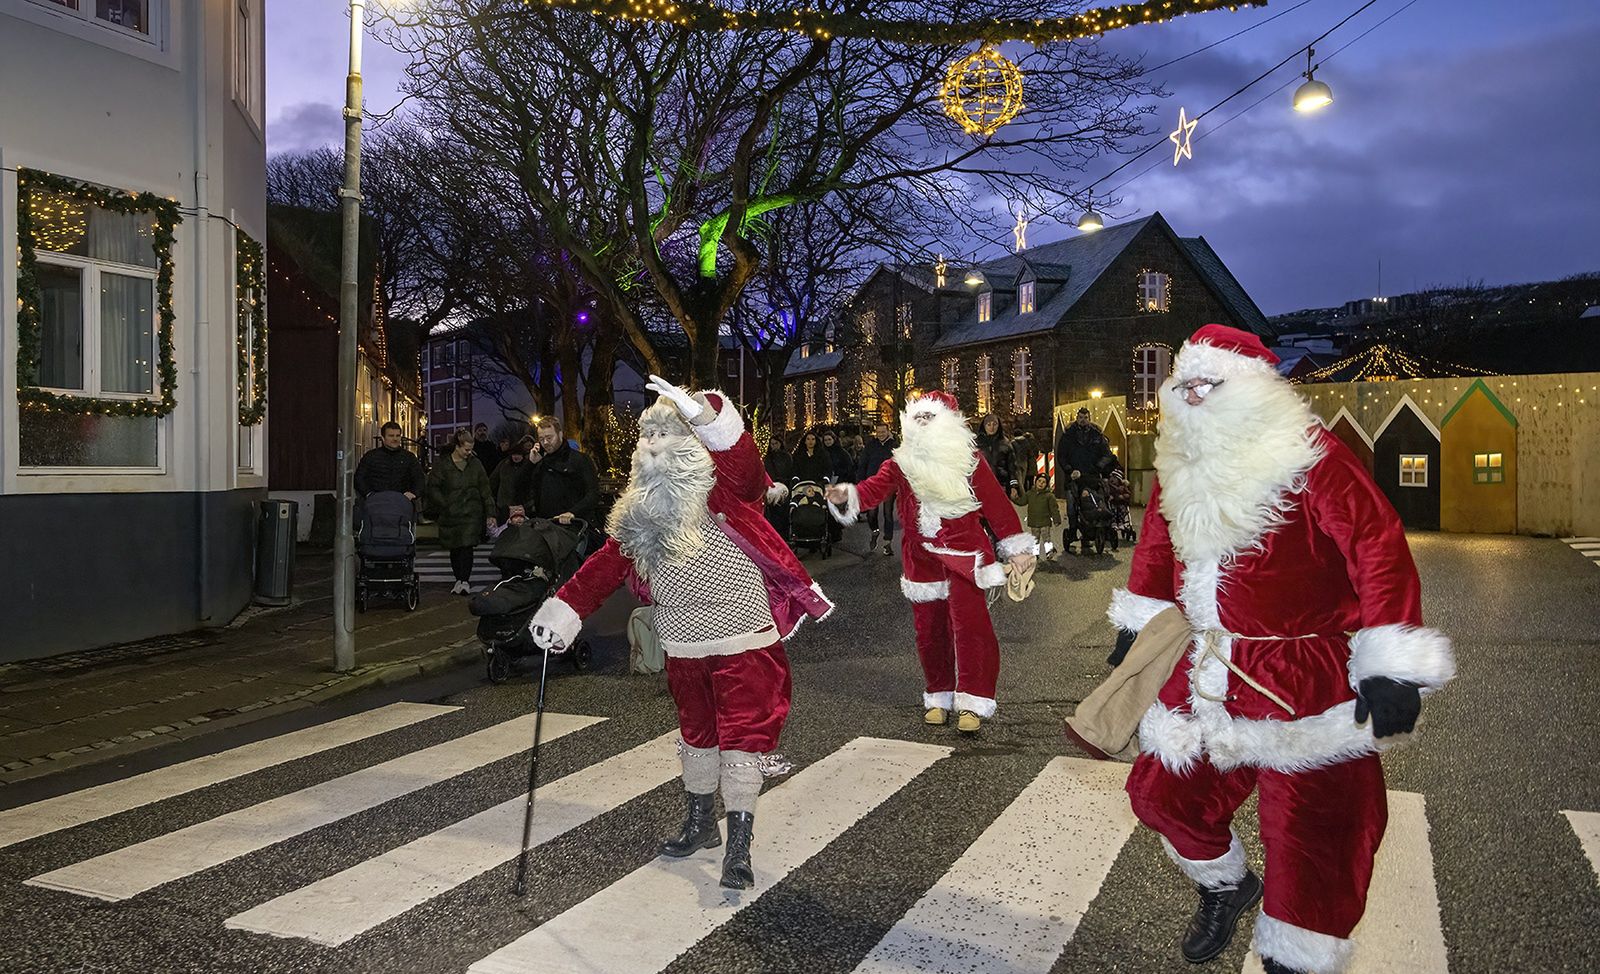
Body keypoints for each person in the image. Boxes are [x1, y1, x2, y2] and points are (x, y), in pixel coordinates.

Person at [1104, 324, 1455, 974]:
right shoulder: (1181, 463)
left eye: (1211, 385)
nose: (1195, 398)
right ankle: (1226, 884)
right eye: (1187, 386)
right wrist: (1140, 624)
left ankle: (1296, 957)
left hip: (1301, 674)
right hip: (1209, 668)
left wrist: (1392, 663)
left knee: (1314, 839)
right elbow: (1155, 542)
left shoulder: (1309, 453)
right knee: (1163, 797)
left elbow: (1376, 543)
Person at [528, 376, 834, 890]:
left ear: (693, 442)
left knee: (742, 739)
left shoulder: (725, 489)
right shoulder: (641, 511)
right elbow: (607, 564)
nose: (652, 444)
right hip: (682, 641)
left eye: (665, 434)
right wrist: (566, 610)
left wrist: (708, 414)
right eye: (647, 436)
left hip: (742, 637)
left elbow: (747, 468)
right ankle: (700, 823)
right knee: (696, 732)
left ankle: (739, 843)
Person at [826, 391, 1037, 733]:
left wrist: (1016, 547)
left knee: (971, 629)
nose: (922, 423)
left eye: (930, 418)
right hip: (921, 558)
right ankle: (939, 694)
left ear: (947, 422)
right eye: (918, 418)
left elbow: (995, 502)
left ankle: (972, 700)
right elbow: (876, 487)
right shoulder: (901, 462)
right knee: (929, 632)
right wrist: (848, 496)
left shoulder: (969, 460)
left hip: (964, 555)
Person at [426, 428, 495, 594]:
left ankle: (464, 580)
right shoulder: (443, 464)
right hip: (450, 513)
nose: (469, 453)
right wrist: (444, 503)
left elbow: (485, 489)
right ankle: (459, 578)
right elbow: (433, 487)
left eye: (471, 449)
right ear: (457, 446)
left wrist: (490, 512)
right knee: (455, 548)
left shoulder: (475, 464)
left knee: (466, 546)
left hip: (472, 512)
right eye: (466, 449)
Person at [1055, 407, 1113, 554]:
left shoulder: (1097, 435)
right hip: (1074, 477)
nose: (1083, 420)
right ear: (1077, 418)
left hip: (1092, 476)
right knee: (1072, 507)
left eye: (1085, 417)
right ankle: (1073, 530)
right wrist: (1069, 470)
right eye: (1080, 417)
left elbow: (1107, 454)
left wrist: (1098, 467)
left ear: (1089, 418)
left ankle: (1102, 528)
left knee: (1098, 501)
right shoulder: (1068, 435)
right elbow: (1061, 455)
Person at [528, 415, 601, 529]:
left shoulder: (580, 460)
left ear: (560, 434)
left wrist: (573, 512)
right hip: (546, 526)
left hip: (574, 525)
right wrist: (530, 464)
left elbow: (593, 493)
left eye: (549, 438)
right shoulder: (540, 462)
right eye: (541, 439)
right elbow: (522, 489)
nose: (545, 442)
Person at [354, 421, 426, 504]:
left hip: (402, 503)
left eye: (398, 436)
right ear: (383, 438)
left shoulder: (409, 457)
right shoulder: (371, 456)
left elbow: (419, 478)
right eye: (391, 436)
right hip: (376, 503)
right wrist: (369, 494)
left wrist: (413, 493)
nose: (395, 439)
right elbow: (359, 478)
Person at [857, 421, 898, 556]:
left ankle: (887, 542)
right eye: (878, 432)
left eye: (883, 432)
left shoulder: (895, 445)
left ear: (888, 431)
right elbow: (863, 463)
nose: (881, 434)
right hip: (872, 484)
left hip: (888, 484)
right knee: (871, 513)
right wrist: (860, 481)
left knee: (888, 513)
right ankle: (874, 531)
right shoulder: (870, 446)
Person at [488, 437, 538, 524]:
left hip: (524, 507)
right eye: (514, 454)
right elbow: (493, 481)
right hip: (504, 506)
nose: (516, 457)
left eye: (518, 454)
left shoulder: (528, 467)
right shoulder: (503, 465)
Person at [975, 414, 1019, 500]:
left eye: (994, 424)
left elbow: (1012, 467)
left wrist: (1014, 486)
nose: (992, 427)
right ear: (984, 426)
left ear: (998, 426)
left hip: (1001, 484)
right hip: (981, 485)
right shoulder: (976, 444)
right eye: (989, 424)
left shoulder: (1005, 444)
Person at [1022, 473, 1061, 559]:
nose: (1041, 483)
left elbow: (1054, 509)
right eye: (1039, 481)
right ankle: (1035, 554)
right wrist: (1015, 498)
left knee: (1046, 537)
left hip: (1045, 521)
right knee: (1035, 538)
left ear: (1046, 484)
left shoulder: (1049, 496)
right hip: (1034, 521)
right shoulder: (1030, 494)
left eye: (1043, 482)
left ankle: (1050, 551)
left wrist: (1056, 519)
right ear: (1035, 482)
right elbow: (1022, 501)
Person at [763, 436, 795, 537]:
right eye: (772, 444)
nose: (774, 446)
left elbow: (790, 471)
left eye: (776, 443)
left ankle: (783, 533)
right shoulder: (768, 458)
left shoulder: (787, 457)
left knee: (783, 511)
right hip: (772, 487)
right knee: (772, 511)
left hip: (784, 485)